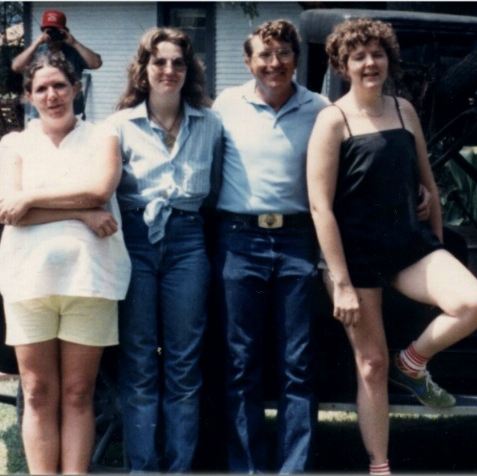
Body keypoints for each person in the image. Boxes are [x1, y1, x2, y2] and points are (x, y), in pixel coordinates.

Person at [306, 18, 477, 475]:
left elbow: (427, 185)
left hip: (407, 244)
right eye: (359, 56)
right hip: (355, 256)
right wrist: (341, 282)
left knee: (475, 303)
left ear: (389, 59)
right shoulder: (332, 119)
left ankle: (410, 363)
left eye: (378, 54)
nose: (370, 63)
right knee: (371, 364)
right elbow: (320, 206)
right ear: (343, 65)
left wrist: (438, 246)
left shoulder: (404, 109)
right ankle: (380, 466)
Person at [0, 51, 131, 474]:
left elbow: (99, 190)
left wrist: (32, 197)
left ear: (75, 89)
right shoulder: (15, 144)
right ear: (28, 97)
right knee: (37, 393)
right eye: (41, 89)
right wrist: (82, 214)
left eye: (59, 86)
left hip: (91, 280)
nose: (52, 95)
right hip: (27, 282)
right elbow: (8, 210)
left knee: (77, 393)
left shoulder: (103, 136)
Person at [210, 19, 328, 473]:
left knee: (299, 364)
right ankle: (249, 469)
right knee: (241, 362)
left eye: (283, 53)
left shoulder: (320, 108)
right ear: (248, 61)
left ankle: (294, 468)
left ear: (296, 59)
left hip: (298, 241)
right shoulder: (226, 105)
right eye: (264, 54)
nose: (274, 63)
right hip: (239, 240)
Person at [105, 27, 223, 472]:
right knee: (138, 360)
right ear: (144, 69)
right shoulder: (119, 126)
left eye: (178, 62)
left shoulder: (210, 124)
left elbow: (217, 189)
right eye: (159, 62)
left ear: (189, 70)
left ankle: (178, 468)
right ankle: (143, 467)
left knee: (183, 363)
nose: (168, 70)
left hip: (188, 243)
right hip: (135, 241)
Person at [12, 9, 102, 116]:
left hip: (72, 114)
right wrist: (37, 42)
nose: (53, 36)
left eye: (57, 32)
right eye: (50, 32)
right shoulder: (36, 51)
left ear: (65, 32)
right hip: (42, 115)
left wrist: (74, 43)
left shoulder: (74, 51)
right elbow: (16, 67)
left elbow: (96, 63)